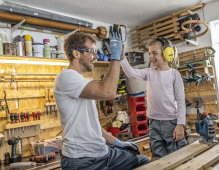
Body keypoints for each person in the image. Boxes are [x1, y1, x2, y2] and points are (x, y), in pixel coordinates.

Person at [54, 25, 150, 170]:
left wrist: (117, 143)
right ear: (76, 54)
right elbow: (108, 93)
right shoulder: (66, 77)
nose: (96, 56)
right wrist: (115, 56)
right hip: (82, 160)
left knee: (143, 162)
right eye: (92, 51)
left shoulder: (81, 81)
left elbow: (94, 128)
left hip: (103, 154)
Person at [121, 37, 187, 160]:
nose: (151, 56)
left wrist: (180, 124)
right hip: (153, 122)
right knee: (159, 157)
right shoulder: (148, 72)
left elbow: (181, 101)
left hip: (171, 123)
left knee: (178, 157)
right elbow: (131, 73)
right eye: (149, 53)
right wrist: (122, 58)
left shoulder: (174, 74)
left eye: (154, 53)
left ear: (167, 53)